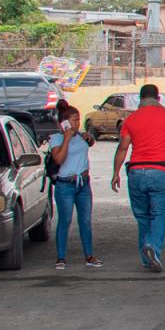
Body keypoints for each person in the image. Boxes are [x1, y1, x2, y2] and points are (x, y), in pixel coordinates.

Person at [110, 83, 165, 271]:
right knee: (160, 215)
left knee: (143, 217)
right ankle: (153, 248)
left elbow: (123, 147)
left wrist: (115, 173)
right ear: (158, 98)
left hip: (135, 173)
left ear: (140, 99)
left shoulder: (131, 119)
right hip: (160, 171)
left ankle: (145, 259)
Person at [47, 99, 98, 271]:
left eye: (78, 119)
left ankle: (89, 255)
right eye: (75, 120)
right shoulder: (56, 139)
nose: (78, 123)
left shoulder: (81, 136)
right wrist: (66, 139)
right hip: (65, 185)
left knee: (85, 220)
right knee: (65, 220)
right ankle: (61, 257)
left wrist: (87, 138)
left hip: (83, 184)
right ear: (65, 122)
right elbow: (59, 159)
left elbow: (90, 144)